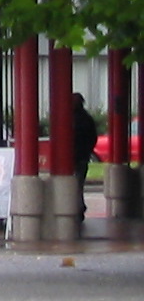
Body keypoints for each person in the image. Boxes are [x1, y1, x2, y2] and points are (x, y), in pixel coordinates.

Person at [72, 93, 99, 222]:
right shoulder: (87, 119)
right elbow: (93, 137)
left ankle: (76, 208)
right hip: (82, 156)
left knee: (75, 185)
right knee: (78, 184)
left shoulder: (71, 119)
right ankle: (79, 207)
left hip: (75, 156)